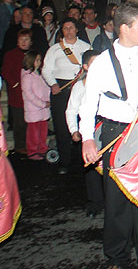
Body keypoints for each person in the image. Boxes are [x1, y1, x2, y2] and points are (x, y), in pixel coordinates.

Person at [80, 1, 138, 269]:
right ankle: (117, 260)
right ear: (124, 28)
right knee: (117, 201)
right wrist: (86, 138)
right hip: (114, 132)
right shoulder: (101, 62)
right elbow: (88, 104)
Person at [42, 17, 91, 174]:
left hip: (81, 88)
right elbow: (46, 70)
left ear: (77, 29)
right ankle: (65, 161)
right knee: (62, 126)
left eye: (71, 27)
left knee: (82, 123)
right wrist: (53, 84)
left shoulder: (86, 47)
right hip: (61, 90)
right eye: (65, 28)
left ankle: (83, 159)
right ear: (62, 31)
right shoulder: (54, 49)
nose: (69, 31)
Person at [65, 50, 104, 217]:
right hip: (89, 128)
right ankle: (95, 202)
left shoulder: (109, 82)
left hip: (106, 127)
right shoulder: (80, 87)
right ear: (86, 67)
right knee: (92, 167)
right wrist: (74, 129)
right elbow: (71, 110)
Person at [2, 29, 32, 154]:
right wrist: (15, 84)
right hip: (17, 94)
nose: (24, 42)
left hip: (31, 95)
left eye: (26, 40)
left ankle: (32, 144)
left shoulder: (33, 54)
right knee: (19, 121)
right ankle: (20, 145)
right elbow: (6, 72)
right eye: (21, 39)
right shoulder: (11, 54)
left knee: (30, 121)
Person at [21, 50, 50, 160]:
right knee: (33, 132)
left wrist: (48, 98)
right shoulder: (27, 77)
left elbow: (46, 88)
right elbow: (29, 94)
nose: (39, 62)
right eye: (37, 60)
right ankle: (33, 151)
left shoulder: (39, 74)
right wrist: (42, 103)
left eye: (39, 60)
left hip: (43, 109)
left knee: (43, 131)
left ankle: (42, 148)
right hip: (34, 109)